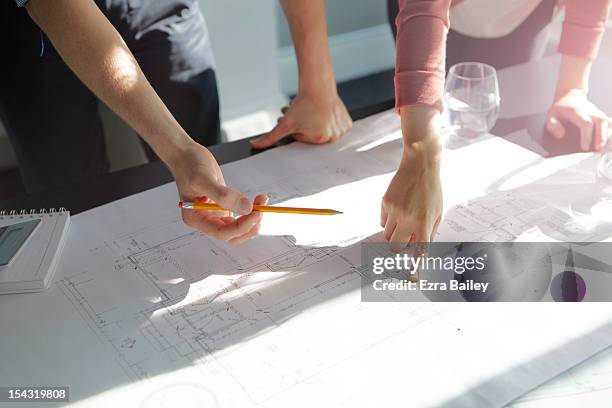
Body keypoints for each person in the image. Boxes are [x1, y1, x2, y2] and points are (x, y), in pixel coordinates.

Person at [1, 0, 352, 244]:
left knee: (206, 165)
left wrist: (317, 85)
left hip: (160, 5)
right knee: (69, 196)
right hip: (35, 25)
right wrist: (179, 150)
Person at [383, 0, 612, 249]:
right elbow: (424, 11)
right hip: (435, 16)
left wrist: (572, 88)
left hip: (523, 15)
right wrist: (421, 156)